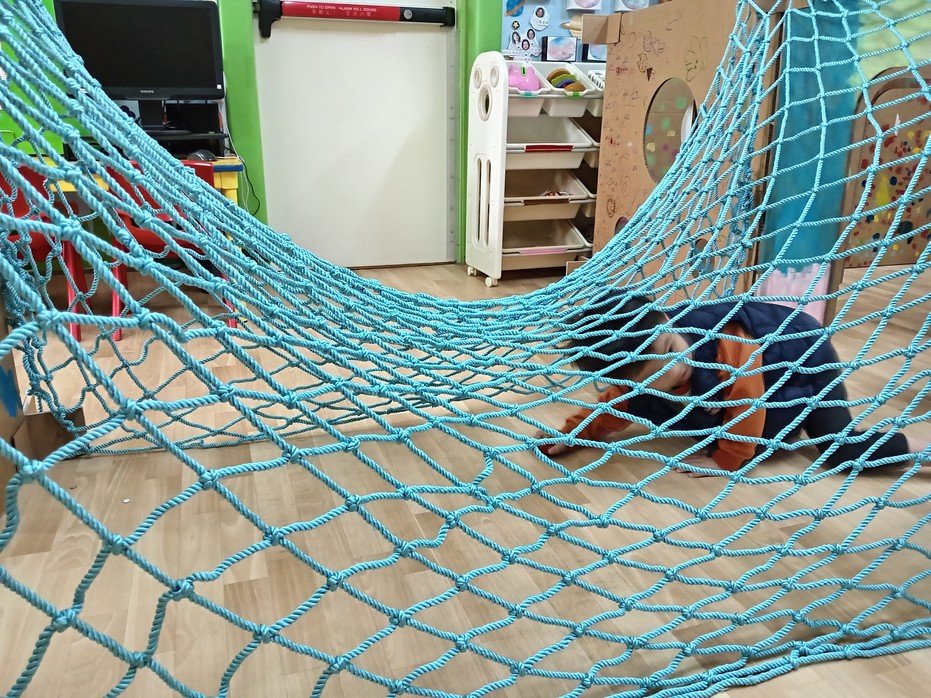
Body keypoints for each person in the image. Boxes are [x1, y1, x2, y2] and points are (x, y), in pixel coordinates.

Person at [539, 294, 929, 476]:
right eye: (656, 375)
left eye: (672, 348)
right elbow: (615, 404)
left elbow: (747, 398)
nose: (678, 366)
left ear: (667, 323)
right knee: (681, 415)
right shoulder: (635, 376)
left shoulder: (721, 343)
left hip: (803, 357)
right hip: (766, 372)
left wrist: (725, 459)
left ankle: (920, 447)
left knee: (839, 450)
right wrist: (572, 434)